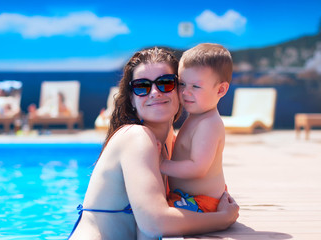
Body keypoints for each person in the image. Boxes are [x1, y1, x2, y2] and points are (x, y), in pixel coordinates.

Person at [68, 47, 239, 240]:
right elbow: (154, 223)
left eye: (166, 83)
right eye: (142, 86)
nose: (155, 92)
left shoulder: (171, 142)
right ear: (132, 99)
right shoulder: (136, 137)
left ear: (179, 89)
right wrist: (223, 218)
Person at [160, 43, 232, 214]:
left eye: (196, 86)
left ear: (221, 90)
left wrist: (161, 164)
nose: (185, 92)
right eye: (182, 84)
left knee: (156, 215)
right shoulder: (198, 116)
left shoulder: (209, 124)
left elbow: (198, 168)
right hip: (191, 197)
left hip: (200, 202)